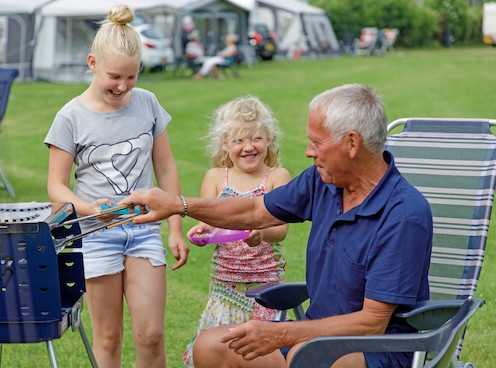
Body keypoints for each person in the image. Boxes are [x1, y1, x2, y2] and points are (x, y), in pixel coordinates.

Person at [120, 84, 433, 368]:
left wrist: (281, 332)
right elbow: (256, 210)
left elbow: (372, 323)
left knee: (309, 356)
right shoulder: (323, 182)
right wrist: (178, 205)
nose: (308, 152)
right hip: (312, 342)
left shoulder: (403, 215)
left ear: (352, 143)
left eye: (316, 142)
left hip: (374, 352)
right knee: (212, 346)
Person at [43, 4, 189, 368]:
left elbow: (166, 168)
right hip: (95, 234)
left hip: (143, 230)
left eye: (132, 77)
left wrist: (174, 227)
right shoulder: (70, 117)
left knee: (152, 336)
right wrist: (92, 209)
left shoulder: (148, 104)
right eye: (114, 77)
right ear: (92, 63)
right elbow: (56, 187)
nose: (123, 87)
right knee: (108, 339)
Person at [183, 95, 291, 367]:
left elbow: (281, 228)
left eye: (256, 138)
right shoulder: (216, 178)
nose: (248, 147)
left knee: (260, 356)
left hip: (265, 288)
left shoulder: (277, 177)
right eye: (238, 141)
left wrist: (262, 234)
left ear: (269, 140)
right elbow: (210, 220)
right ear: (225, 144)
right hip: (224, 289)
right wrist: (201, 231)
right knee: (219, 353)